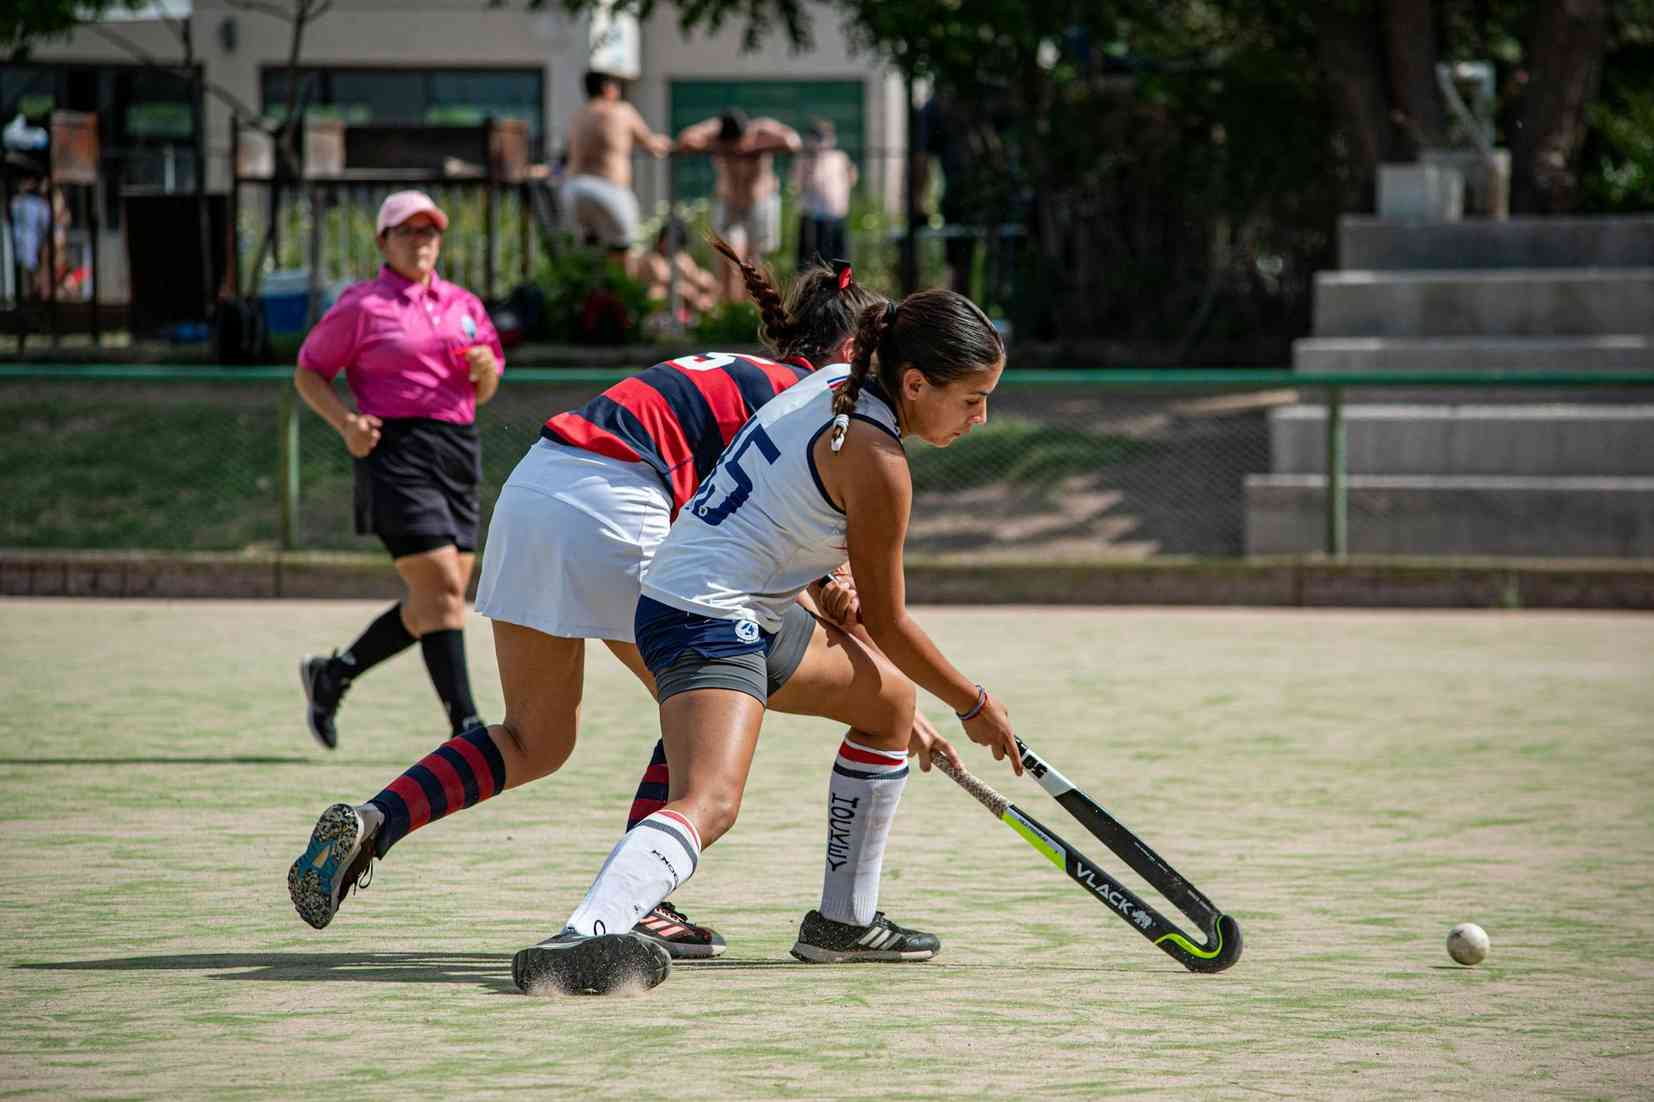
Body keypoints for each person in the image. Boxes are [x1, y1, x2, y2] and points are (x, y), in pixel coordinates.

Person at [287, 240, 959, 966]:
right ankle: (639, 908)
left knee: (534, 739)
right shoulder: (814, 404)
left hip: (532, 494)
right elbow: (742, 563)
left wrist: (877, 674)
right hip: (618, 504)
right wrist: (886, 688)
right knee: (701, 695)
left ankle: (375, 820)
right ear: (854, 352)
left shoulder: (739, 373)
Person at [509, 284, 1020, 995]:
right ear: (913, 384)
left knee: (888, 702)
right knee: (711, 800)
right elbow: (890, 621)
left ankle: (843, 924)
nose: (980, 417)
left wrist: (932, 695)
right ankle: (585, 934)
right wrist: (974, 704)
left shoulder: (837, 385)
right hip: (707, 616)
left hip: (731, 607)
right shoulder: (878, 459)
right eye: (971, 399)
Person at [292, 190, 504, 751]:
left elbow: (484, 388)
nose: (420, 241)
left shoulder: (464, 304)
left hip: (457, 450)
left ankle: (334, 673)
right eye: (407, 231)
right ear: (383, 242)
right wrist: (346, 424)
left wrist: (485, 370)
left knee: (440, 599)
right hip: (395, 452)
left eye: (428, 231)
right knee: (440, 588)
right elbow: (309, 372)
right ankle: (466, 725)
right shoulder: (363, 306)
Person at [675, 109, 801, 303]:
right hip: (730, 202)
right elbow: (685, 140)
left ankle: (755, 305)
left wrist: (757, 148)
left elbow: (793, 142)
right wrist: (714, 145)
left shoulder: (761, 130)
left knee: (755, 259)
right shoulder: (715, 132)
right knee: (728, 255)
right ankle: (730, 305)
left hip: (759, 201)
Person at [562, 71, 671, 258]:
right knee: (626, 252)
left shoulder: (578, 116)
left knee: (591, 251)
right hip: (609, 189)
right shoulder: (622, 111)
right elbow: (652, 145)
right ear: (608, 88)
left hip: (574, 189)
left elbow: (567, 153)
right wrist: (670, 143)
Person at [791, 119, 857, 271]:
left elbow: (850, 179)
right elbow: (799, 184)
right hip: (813, 220)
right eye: (817, 137)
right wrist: (813, 161)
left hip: (836, 217)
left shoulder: (839, 157)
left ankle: (842, 286)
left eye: (825, 137)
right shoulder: (804, 159)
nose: (821, 142)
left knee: (841, 262)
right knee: (812, 264)